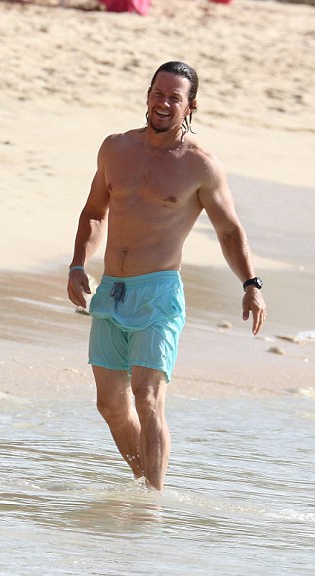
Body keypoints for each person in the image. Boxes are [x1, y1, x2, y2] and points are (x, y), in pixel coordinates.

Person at [67, 61, 266, 490]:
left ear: (190, 106)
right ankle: (146, 486)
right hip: (111, 290)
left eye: (174, 97)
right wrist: (78, 263)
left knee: (147, 396)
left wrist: (251, 284)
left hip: (157, 293)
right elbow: (94, 212)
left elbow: (229, 230)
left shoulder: (200, 165)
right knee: (110, 405)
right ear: (147, 95)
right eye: (158, 93)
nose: (163, 103)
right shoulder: (115, 148)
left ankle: (153, 501)